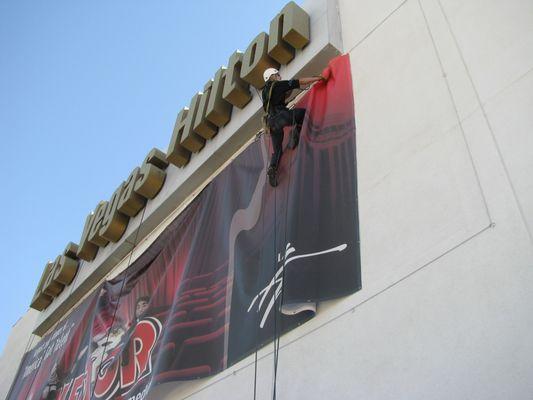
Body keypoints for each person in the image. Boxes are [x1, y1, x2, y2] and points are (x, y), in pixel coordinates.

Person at [262, 68, 327, 187]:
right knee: (302, 114)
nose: (279, 77)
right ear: (273, 76)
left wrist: (288, 89)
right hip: (281, 116)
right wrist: (317, 78)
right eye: (278, 75)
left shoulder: (265, 92)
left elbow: (281, 95)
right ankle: (296, 133)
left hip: (271, 123)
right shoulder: (278, 85)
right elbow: (300, 82)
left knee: (277, 150)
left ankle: (272, 168)